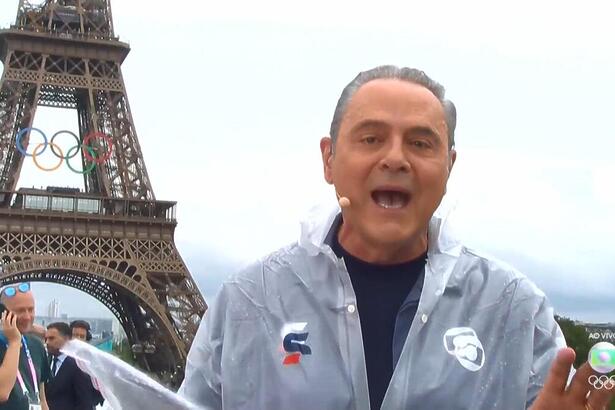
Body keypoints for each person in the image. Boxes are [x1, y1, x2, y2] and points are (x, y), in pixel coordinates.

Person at [177, 65, 615, 409]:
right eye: (371, 138)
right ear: (328, 160)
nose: (395, 158)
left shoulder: (514, 312)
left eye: (421, 144)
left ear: (449, 166)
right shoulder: (248, 304)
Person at [0, 283, 50, 410]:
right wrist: (14, 342)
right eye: (20, 311)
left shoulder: (36, 345)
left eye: (31, 309)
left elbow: (42, 398)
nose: (28, 317)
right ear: (3, 313)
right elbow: (2, 392)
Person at [44, 322, 93, 410]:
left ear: (66, 339)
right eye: (46, 339)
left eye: (51, 338)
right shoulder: (45, 361)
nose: (47, 342)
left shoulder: (79, 366)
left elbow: (85, 403)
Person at [69, 320, 104, 408]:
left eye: (82, 336)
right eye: (75, 335)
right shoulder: (59, 357)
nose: (78, 339)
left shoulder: (92, 361)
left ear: (86, 339)